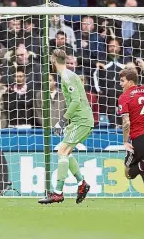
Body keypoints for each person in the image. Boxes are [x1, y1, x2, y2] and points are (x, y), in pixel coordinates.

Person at [38, 49, 94, 205]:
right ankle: (82, 183)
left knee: (62, 151)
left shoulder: (67, 77)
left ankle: (58, 193)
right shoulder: (69, 75)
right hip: (79, 120)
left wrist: (62, 120)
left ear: (53, 59)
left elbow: (76, 101)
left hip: (81, 120)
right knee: (66, 152)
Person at [117, 59, 144, 203]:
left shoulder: (124, 97)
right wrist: (143, 67)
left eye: (122, 81)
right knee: (140, 167)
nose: (120, 83)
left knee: (129, 172)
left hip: (139, 138)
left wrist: (125, 141)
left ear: (130, 81)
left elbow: (126, 122)